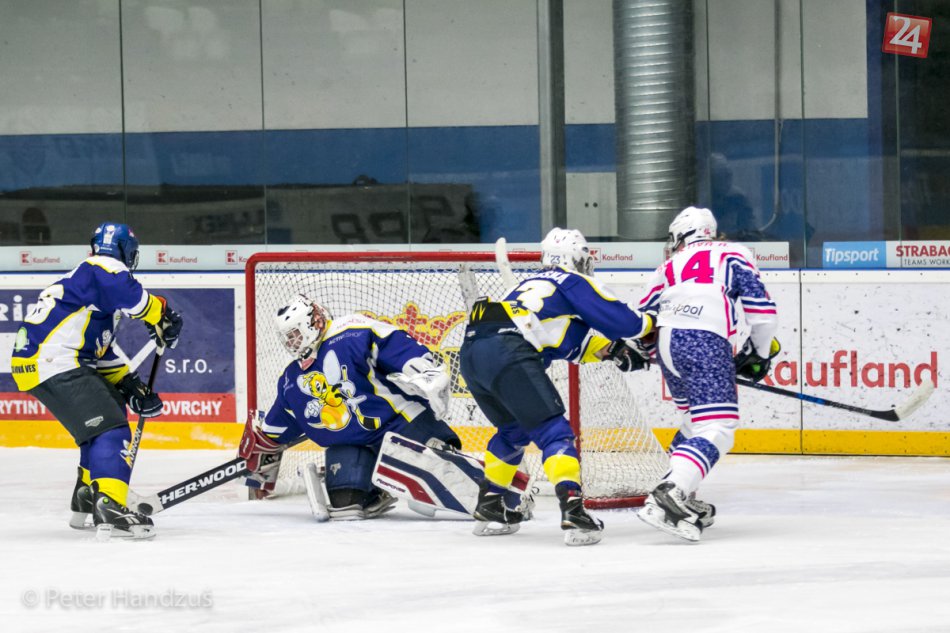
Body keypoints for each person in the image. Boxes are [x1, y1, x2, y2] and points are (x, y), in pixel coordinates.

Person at [458, 227, 654, 546]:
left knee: (513, 431)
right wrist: (653, 321)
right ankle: (573, 510)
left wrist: (611, 350)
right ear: (575, 257)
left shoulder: (524, 287)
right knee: (554, 432)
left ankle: (490, 504)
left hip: (472, 352)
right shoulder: (571, 281)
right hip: (509, 351)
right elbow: (627, 323)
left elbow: (562, 340)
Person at [10, 221, 184, 539]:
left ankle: (86, 495)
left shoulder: (87, 285)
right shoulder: (103, 267)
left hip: (46, 360)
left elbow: (97, 349)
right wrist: (160, 312)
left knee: (105, 415)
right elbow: (134, 298)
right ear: (126, 252)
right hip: (54, 361)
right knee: (110, 427)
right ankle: (110, 505)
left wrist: (129, 384)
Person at [239, 294, 465, 520]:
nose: (292, 343)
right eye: (287, 338)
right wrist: (261, 449)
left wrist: (422, 368)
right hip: (352, 445)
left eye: (295, 334)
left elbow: (390, 342)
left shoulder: (350, 332)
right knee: (346, 502)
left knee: (438, 472)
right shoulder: (292, 378)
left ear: (313, 321)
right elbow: (279, 422)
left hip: (399, 425)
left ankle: (443, 456)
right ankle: (375, 489)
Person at [636, 206, 780, 542]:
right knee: (719, 426)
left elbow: (642, 317)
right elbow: (762, 315)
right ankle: (671, 491)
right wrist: (759, 354)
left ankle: (680, 492)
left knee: (694, 421)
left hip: (668, 343)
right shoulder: (733, 252)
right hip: (705, 340)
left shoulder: (669, 265)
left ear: (681, 236)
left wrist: (638, 351)